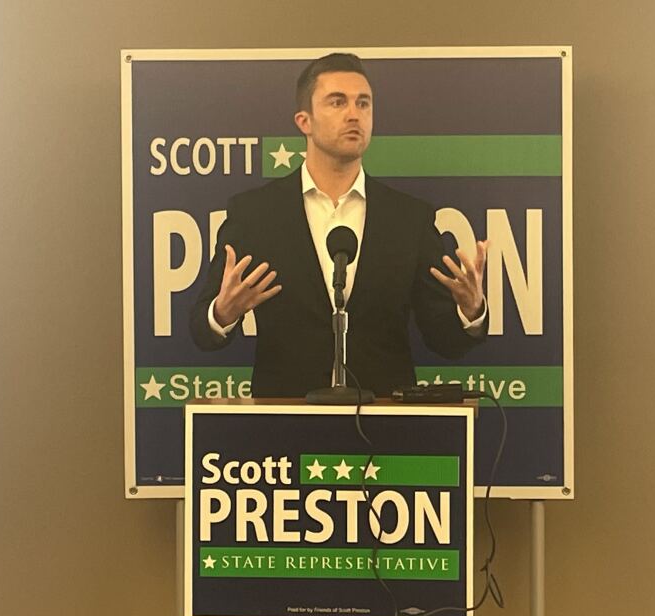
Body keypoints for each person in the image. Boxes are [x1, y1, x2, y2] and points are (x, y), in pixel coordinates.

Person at [190, 53, 488, 397]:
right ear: (305, 121)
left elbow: (445, 342)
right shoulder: (255, 213)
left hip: (384, 427)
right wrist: (223, 313)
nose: (353, 114)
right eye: (337, 102)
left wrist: (471, 311)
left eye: (364, 103)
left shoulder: (409, 218)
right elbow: (201, 332)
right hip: (284, 424)